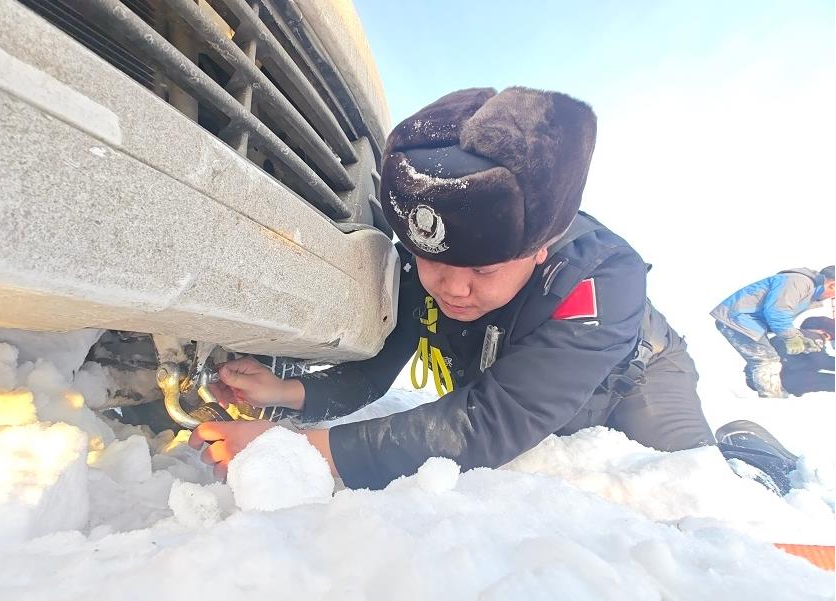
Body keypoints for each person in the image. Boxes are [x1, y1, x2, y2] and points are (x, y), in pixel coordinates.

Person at [186, 87, 761, 491]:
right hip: (519, 390)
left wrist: (298, 451)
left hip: (633, 381)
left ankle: (754, 454)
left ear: (539, 249)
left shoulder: (602, 276)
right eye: (432, 262)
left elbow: (496, 419)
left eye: (484, 270)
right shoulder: (431, 271)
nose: (452, 289)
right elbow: (378, 369)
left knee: (693, 487)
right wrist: (284, 393)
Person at [710, 265, 836, 398]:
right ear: (832, 285)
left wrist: (800, 338)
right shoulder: (799, 282)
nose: (832, 297)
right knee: (767, 361)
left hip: (749, 321)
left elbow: (780, 315)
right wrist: (791, 338)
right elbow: (778, 312)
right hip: (740, 318)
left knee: (767, 359)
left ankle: (773, 395)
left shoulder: (806, 289)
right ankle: (772, 400)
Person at [774, 316, 834, 396]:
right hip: (785, 377)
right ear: (820, 331)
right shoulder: (811, 335)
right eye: (826, 336)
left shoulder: (794, 335)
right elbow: (822, 362)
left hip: (779, 375)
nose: (826, 341)